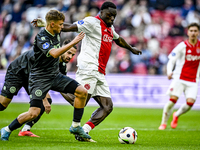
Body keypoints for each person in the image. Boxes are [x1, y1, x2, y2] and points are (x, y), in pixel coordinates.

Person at [32, 1, 142, 141]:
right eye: (109, 16)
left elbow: (118, 39)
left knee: (107, 107)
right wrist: (46, 25)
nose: (112, 19)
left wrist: (131, 48)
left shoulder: (109, 27)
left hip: (100, 72)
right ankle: (55, 83)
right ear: (101, 13)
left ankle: (84, 130)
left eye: (114, 16)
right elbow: (70, 27)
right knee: (78, 100)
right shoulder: (92, 22)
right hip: (89, 67)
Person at [0, 9, 91, 141]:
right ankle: (7, 129)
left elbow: (53, 26)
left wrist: (44, 23)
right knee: (26, 111)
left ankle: (76, 125)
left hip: (53, 75)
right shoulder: (42, 37)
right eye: (60, 24)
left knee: (82, 92)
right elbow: (54, 53)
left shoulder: (55, 31)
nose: (62, 27)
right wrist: (73, 41)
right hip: (32, 75)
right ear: (53, 25)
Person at [18, 39, 77, 137]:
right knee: (4, 104)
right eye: (68, 53)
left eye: (72, 55)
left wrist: (74, 101)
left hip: (34, 79)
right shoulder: (50, 58)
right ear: (62, 49)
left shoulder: (62, 66)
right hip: (26, 75)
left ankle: (24, 129)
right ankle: (14, 129)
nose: (70, 57)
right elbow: (39, 78)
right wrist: (45, 100)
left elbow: (61, 87)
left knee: (42, 104)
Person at [158, 22, 200, 130]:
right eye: (191, 31)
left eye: (195, 31)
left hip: (193, 80)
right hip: (179, 78)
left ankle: (176, 115)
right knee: (172, 100)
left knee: (190, 103)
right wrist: (169, 72)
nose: (193, 33)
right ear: (187, 32)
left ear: (198, 32)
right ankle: (163, 123)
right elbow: (171, 60)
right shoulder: (182, 46)